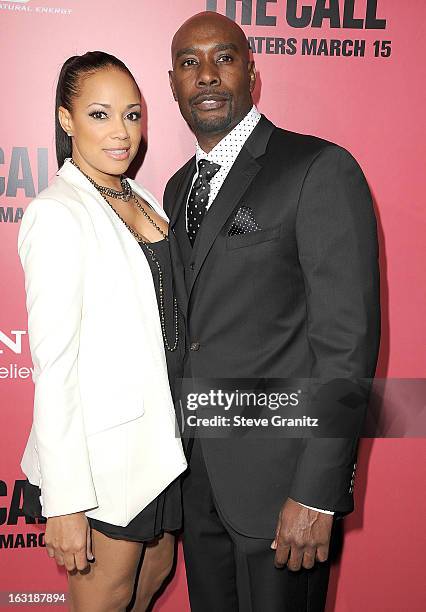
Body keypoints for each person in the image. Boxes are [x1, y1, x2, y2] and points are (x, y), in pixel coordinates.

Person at [165, 12, 380, 612]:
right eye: (189, 63)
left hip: (285, 492)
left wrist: (316, 491)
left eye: (223, 58)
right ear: (173, 84)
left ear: (252, 74)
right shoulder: (178, 188)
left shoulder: (316, 169)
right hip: (199, 480)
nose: (206, 75)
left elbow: (347, 345)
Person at [18, 51, 187, 612]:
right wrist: (65, 501)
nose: (122, 132)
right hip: (105, 459)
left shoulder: (136, 196)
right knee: (108, 593)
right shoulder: (57, 213)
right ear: (66, 120)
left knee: (154, 572)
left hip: (162, 442)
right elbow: (55, 364)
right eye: (99, 115)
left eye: (133, 114)